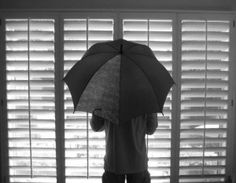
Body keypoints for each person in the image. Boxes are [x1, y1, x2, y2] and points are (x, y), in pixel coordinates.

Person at [90, 109, 158, 183]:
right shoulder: (145, 99)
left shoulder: (106, 99)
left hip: (114, 160)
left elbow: (96, 126)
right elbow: (151, 128)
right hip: (137, 161)